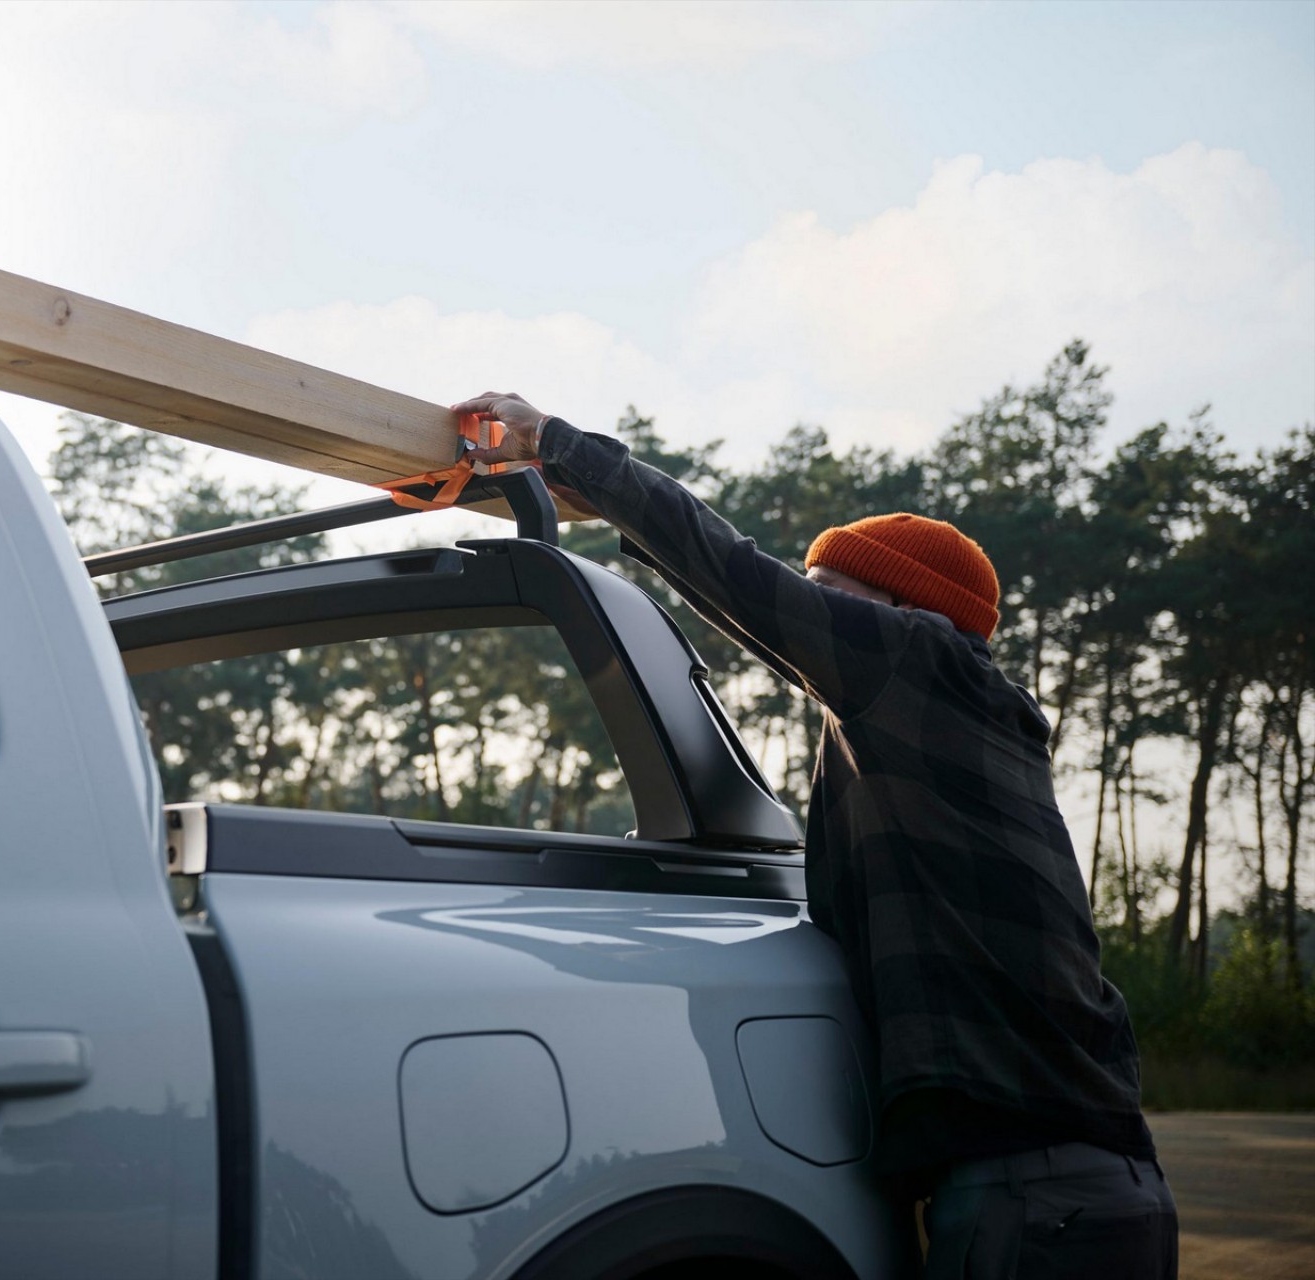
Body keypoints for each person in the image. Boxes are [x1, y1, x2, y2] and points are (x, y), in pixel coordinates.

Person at [455, 392, 1178, 1280]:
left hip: (1040, 1199)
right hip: (1061, 1190)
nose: (815, 614)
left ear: (909, 612)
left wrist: (563, 450)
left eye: (837, 596)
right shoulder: (927, 736)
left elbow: (742, 580)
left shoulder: (926, 663)